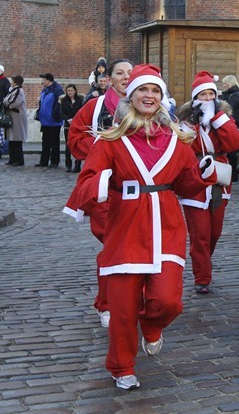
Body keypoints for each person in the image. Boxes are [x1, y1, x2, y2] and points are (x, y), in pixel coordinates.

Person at [67, 64, 217, 389]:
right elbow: (86, 183)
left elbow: (187, 186)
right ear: (131, 96)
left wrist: (204, 172)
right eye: (142, 90)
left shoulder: (178, 141)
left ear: (161, 98)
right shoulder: (110, 140)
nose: (149, 96)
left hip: (167, 228)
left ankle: (151, 327)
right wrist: (103, 183)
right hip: (125, 229)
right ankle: (122, 367)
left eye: (155, 91)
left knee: (169, 300)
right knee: (122, 309)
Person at [65, 59, 134, 327]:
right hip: (106, 191)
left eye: (130, 73)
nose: (126, 77)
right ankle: (106, 304)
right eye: (120, 73)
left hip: (138, 192)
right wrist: (101, 144)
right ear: (109, 79)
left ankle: (131, 301)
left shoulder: (149, 106)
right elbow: (74, 139)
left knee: (134, 249)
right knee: (114, 246)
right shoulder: (94, 108)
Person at [177, 71, 239, 294]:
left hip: (220, 179)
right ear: (195, 98)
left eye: (210, 95)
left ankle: (204, 261)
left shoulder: (224, 119)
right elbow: (181, 149)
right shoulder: (186, 121)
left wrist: (217, 119)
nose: (206, 99)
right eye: (202, 95)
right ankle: (202, 276)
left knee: (214, 232)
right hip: (195, 180)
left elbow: (235, 143)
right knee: (200, 233)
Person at [219, 74, 239, 182]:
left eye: (225, 83)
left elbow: (229, 107)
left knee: (232, 152)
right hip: (230, 122)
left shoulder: (235, 95)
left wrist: (221, 97)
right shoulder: (232, 94)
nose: (223, 85)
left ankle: (233, 175)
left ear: (229, 83)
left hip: (232, 123)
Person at [36, 73, 64, 168]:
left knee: (54, 142)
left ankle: (54, 161)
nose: (42, 82)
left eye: (43, 80)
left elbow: (59, 104)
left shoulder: (57, 90)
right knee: (45, 142)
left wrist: (55, 115)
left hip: (53, 121)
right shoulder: (45, 90)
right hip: (45, 121)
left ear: (48, 80)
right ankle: (44, 160)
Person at [2, 75, 28, 166]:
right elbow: (6, 100)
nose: (11, 82)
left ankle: (19, 160)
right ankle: (12, 159)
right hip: (12, 116)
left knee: (17, 139)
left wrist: (7, 105)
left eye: (12, 80)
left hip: (17, 117)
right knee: (11, 139)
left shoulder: (19, 91)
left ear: (16, 82)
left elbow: (14, 103)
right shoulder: (12, 90)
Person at [60, 84, 85, 172]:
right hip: (68, 125)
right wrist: (67, 119)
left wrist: (76, 119)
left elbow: (82, 111)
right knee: (68, 145)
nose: (70, 92)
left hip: (77, 125)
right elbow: (62, 113)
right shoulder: (64, 101)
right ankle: (68, 164)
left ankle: (77, 165)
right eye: (68, 91)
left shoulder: (80, 100)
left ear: (75, 91)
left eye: (71, 90)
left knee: (78, 144)